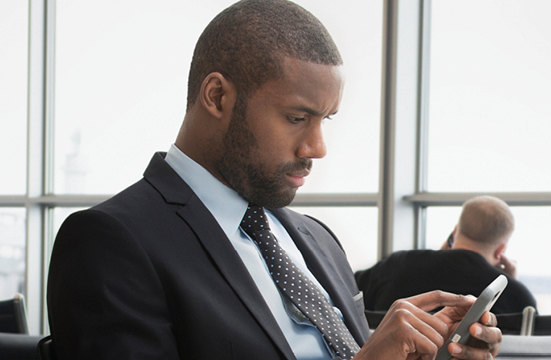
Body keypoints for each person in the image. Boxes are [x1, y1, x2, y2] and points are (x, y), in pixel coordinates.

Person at [45, 1, 501, 359]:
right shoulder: (110, 243)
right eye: (297, 117)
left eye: (325, 120)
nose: (317, 147)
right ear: (218, 96)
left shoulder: (316, 239)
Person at [355, 196, 537, 315]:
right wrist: (511, 282)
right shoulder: (518, 298)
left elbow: (347, 292)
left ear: (456, 231)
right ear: (500, 251)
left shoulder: (396, 265)